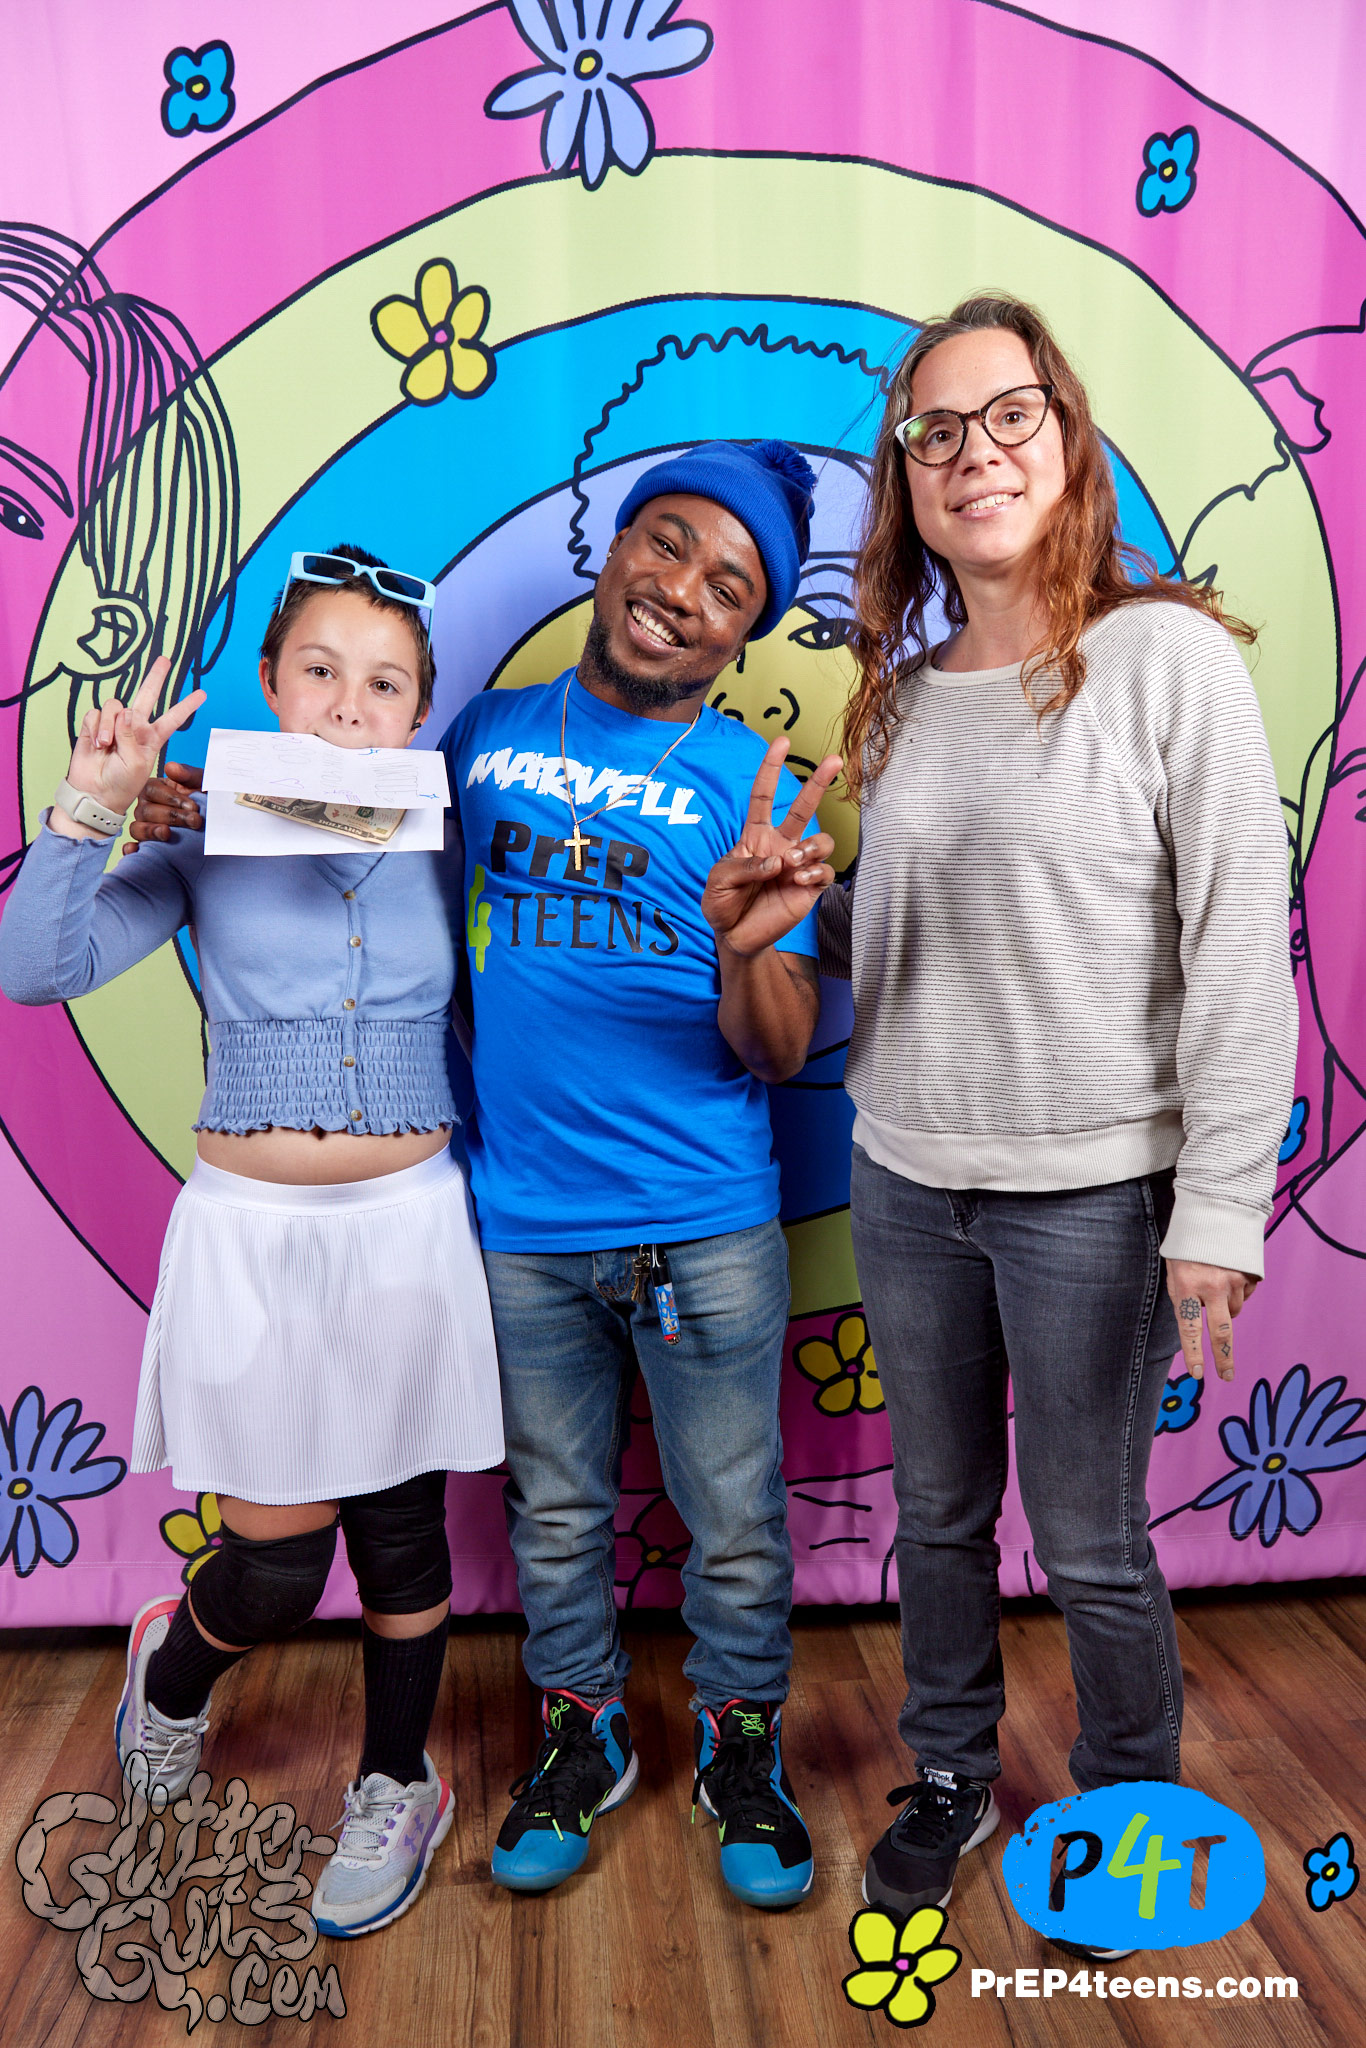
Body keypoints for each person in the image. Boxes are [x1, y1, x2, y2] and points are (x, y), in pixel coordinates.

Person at [136, 440, 843, 1913]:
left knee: (734, 1518)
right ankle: (581, 1735)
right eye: (667, 543)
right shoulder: (474, 738)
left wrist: (744, 943)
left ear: (744, 632)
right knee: (557, 1516)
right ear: (614, 548)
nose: (683, 590)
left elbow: (780, 1052)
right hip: (516, 1217)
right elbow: (334, 861)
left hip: (706, 1219)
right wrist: (180, 810)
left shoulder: (751, 785)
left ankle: (741, 1747)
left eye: (730, 586)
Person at [821, 296, 1296, 1955]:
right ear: (906, 476)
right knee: (937, 1521)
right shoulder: (895, 697)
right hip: (904, 1178)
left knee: (1089, 1541)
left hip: (1095, 1194)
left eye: (1007, 415)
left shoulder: (1166, 659)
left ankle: (1123, 1814)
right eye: (934, 431)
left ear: (1066, 436)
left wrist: (1216, 1208)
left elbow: (1235, 945)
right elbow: (895, 944)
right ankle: (951, 1772)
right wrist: (785, 915)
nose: (974, 454)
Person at [0, 547, 504, 1940]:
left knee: (402, 1542)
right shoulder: (199, 833)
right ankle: (171, 1671)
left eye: (385, 684)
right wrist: (92, 806)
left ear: (418, 715)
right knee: (279, 1568)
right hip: (254, 1238)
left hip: (408, 1227)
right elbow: (36, 969)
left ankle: (398, 1781)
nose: (350, 704)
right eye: (321, 671)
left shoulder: (451, 831)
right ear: (273, 686)